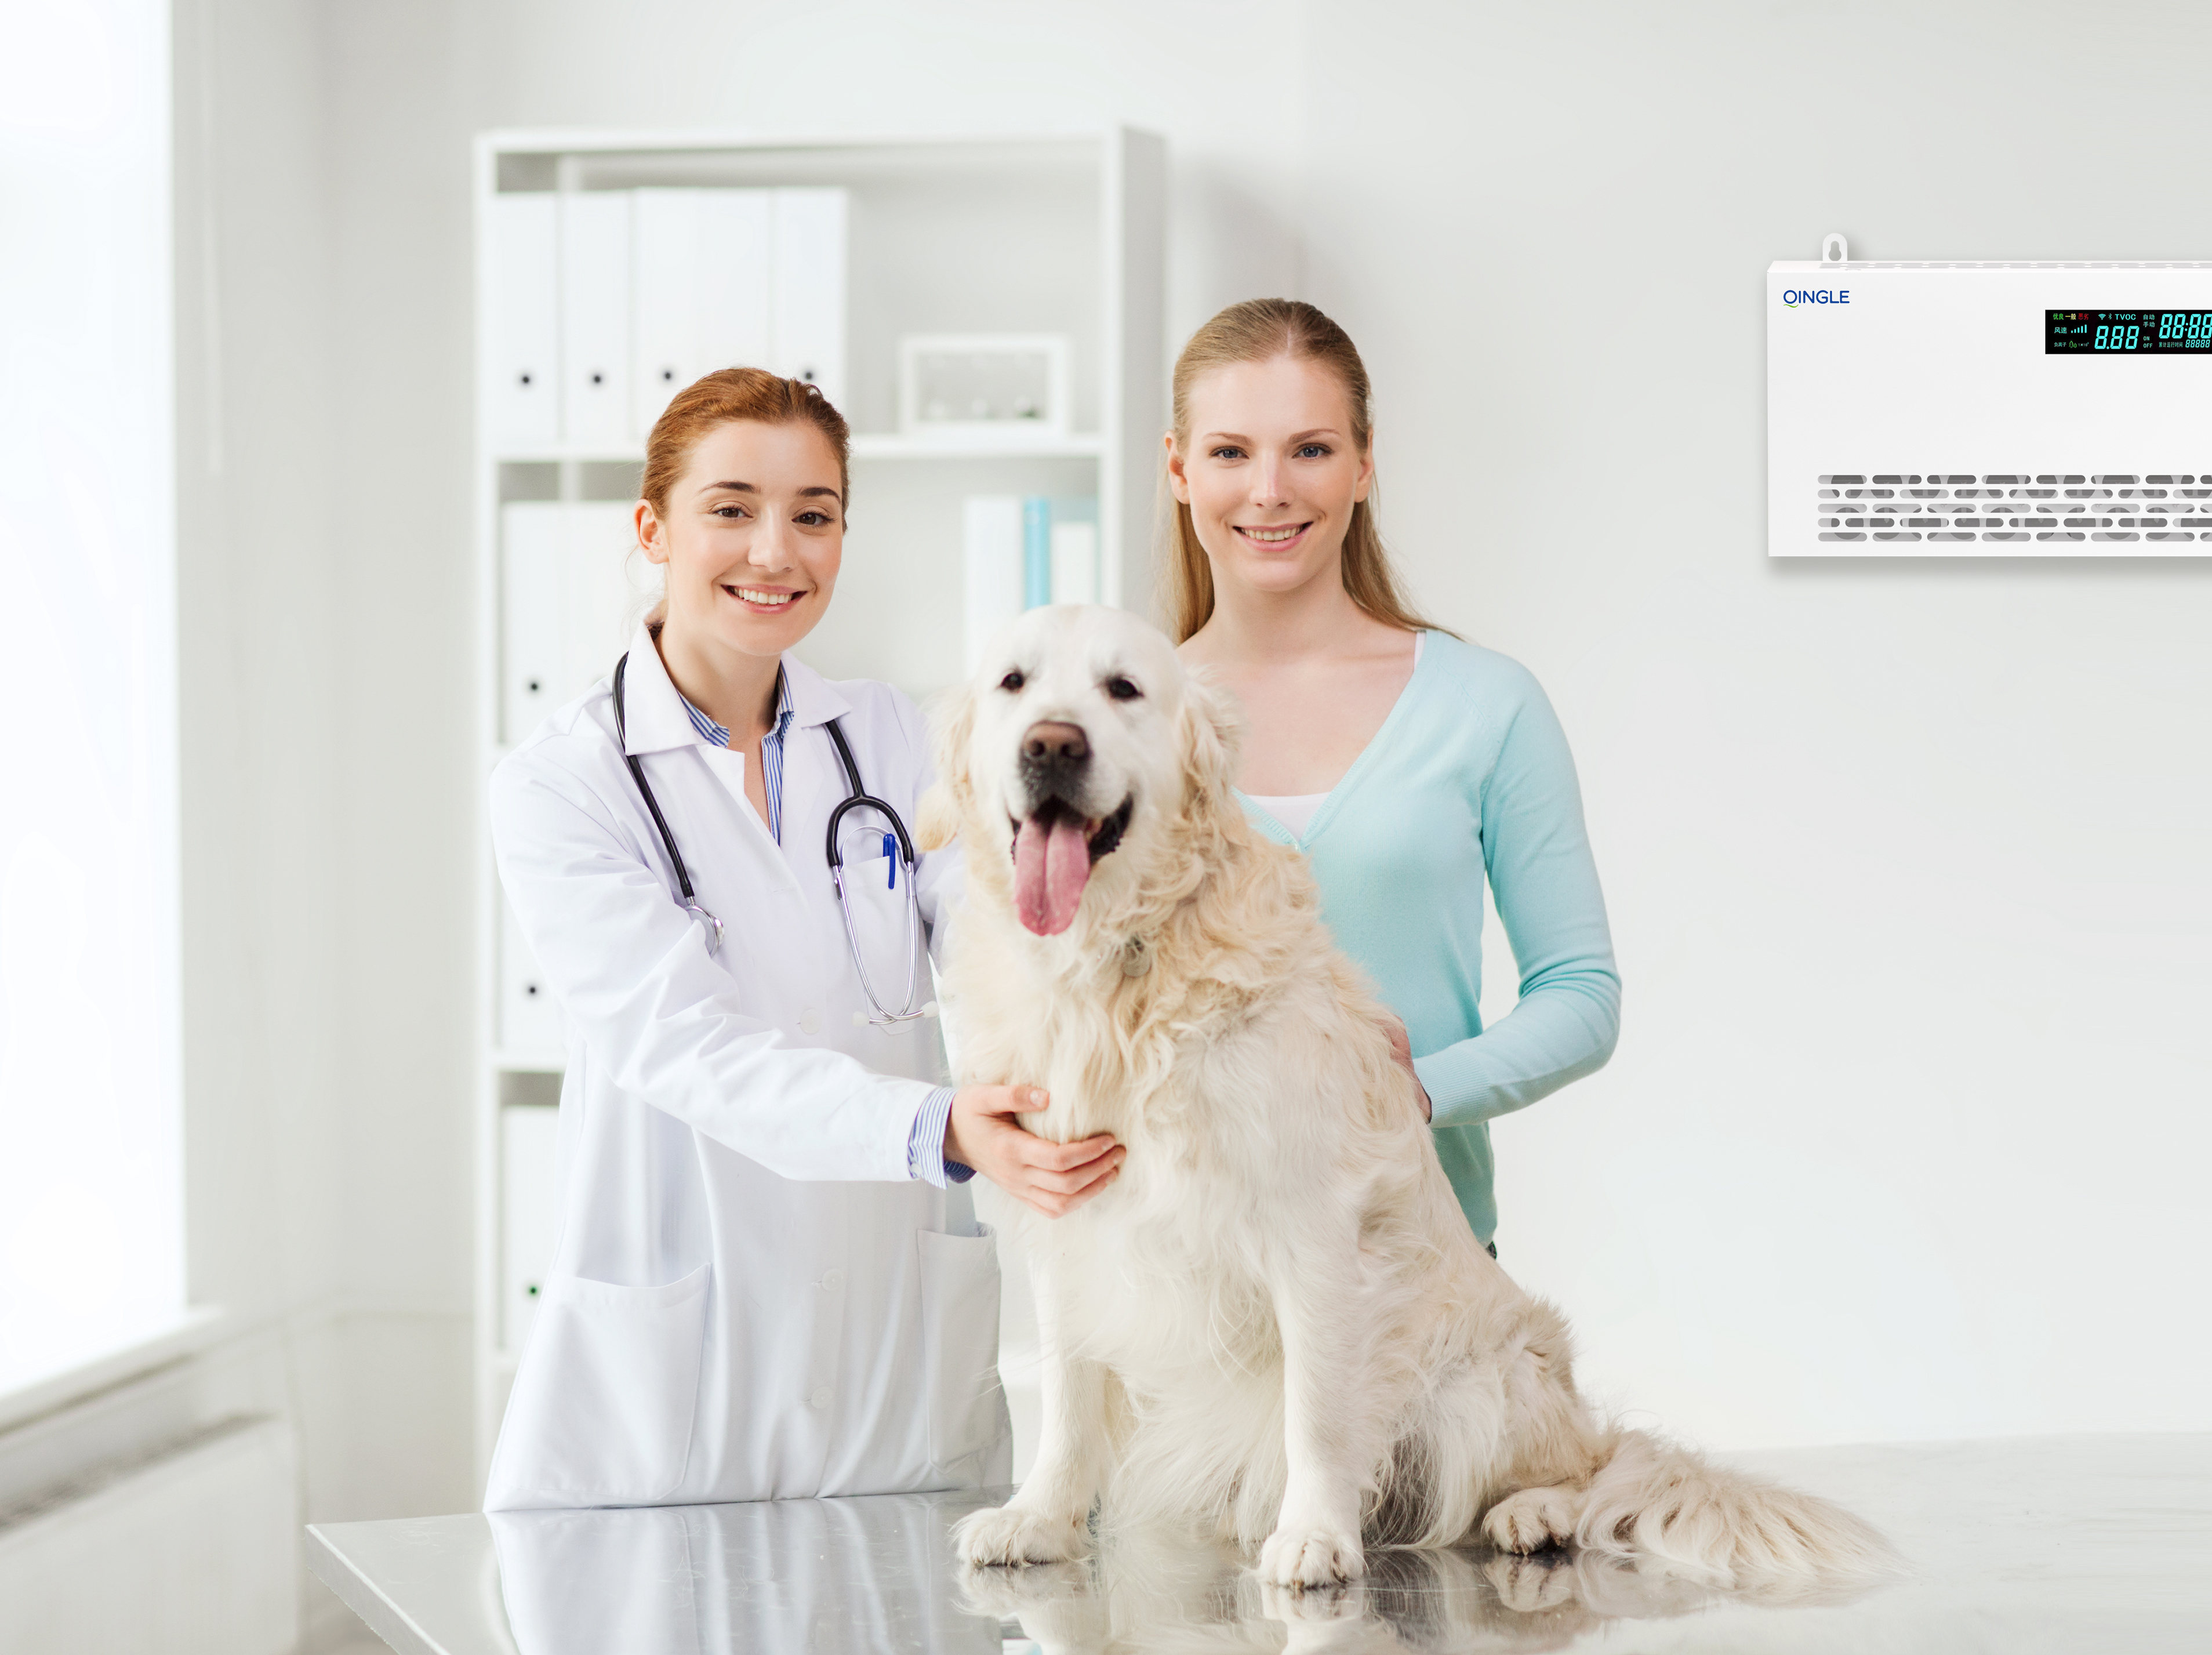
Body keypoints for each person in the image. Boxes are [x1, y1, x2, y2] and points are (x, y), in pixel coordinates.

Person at [485, 369, 1121, 1511]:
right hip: (680, 1380)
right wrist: (939, 1124)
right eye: (729, 508)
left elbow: (993, 920)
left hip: (889, 1360)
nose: (774, 550)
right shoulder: (561, 782)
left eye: (813, 514)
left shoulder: (885, 732)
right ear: (652, 529)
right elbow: (688, 1046)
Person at [1164, 300, 1620, 1253]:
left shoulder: (1485, 704)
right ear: (1178, 468)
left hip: (1423, 1260)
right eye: (1230, 452)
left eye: (1312, 450)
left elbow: (1580, 993)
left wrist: (1417, 1091)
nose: (1269, 489)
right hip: (1188, 1272)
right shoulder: (1122, 727)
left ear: (1365, 463)